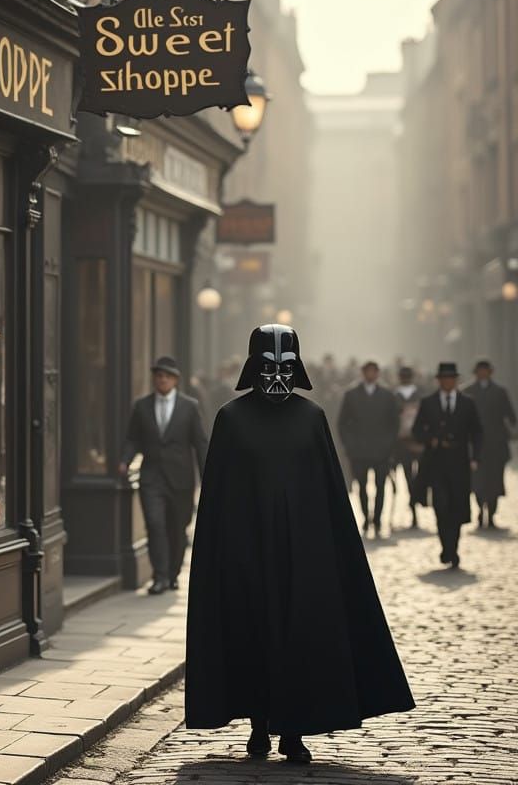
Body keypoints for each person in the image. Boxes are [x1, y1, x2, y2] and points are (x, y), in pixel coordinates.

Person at [185, 325, 414, 763]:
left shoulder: (312, 418)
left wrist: (327, 555)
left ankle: (293, 731)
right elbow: (217, 497)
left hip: (305, 556)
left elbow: (330, 493)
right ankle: (258, 725)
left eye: (285, 368)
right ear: (254, 368)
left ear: (298, 370)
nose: (276, 377)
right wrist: (224, 556)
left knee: (300, 639)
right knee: (253, 635)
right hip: (247, 556)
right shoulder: (231, 420)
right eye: (268, 368)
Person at [119, 356, 208, 595]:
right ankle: (159, 576)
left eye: (167, 376)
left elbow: (199, 443)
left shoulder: (189, 406)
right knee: (155, 525)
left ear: (176, 380)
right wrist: (125, 460)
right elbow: (133, 438)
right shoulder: (142, 406)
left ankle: (173, 573)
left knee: (178, 528)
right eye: (159, 375)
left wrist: (208, 476)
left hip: (181, 479)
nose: (162, 379)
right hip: (152, 478)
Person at [410, 362, 482, 568]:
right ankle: (446, 546)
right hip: (435, 463)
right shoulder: (428, 402)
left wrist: (475, 457)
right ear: (439, 380)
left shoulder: (468, 403)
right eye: (444, 378)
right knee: (441, 507)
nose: (448, 382)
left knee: (457, 508)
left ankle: (454, 548)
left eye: (451, 378)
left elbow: (477, 432)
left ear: (456, 380)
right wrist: (430, 439)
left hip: (460, 464)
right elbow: (417, 430)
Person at [337, 361, 399, 535]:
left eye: (374, 371)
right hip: (359, 451)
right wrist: (349, 445)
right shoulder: (351, 395)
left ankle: (377, 519)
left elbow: (394, 423)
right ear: (363, 373)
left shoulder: (387, 395)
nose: (371, 374)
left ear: (378, 373)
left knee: (381, 486)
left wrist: (389, 445)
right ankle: (365, 518)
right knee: (361, 487)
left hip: (382, 451)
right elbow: (342, 423)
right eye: (368, 371)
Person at [463, 359, 516, 529]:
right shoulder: (467, 392)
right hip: (475, 446)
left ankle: (491, 514)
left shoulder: (500, 392)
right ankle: (480, 509)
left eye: (486, 370)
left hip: (495, 444)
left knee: (494, 482)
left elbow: (511, 416)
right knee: (477, 481)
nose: (483, 373)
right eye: (480, 370)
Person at [392, 366, 424, 528]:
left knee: (417, 477)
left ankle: (416, 505)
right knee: (409, 477)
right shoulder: (394, 395)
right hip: (403, 444)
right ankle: (414, 510)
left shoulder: (419, 395)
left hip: (418, 442)